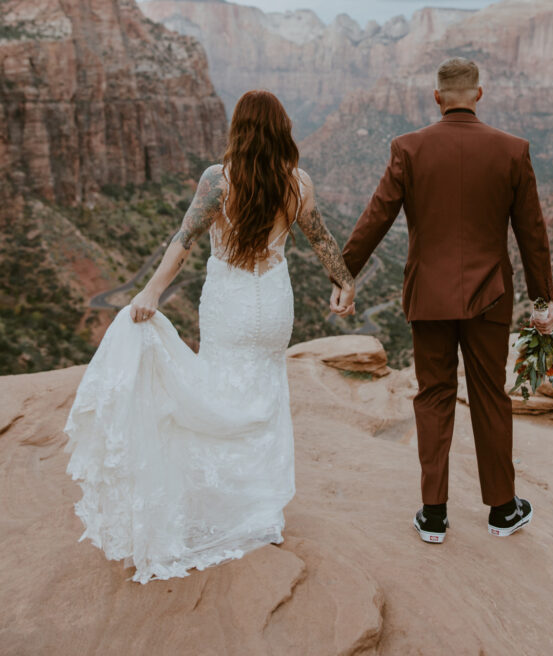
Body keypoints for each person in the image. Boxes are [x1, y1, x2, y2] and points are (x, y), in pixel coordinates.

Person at [65, 90, 355, 583]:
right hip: (274, 303)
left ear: (239, 130)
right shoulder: (298, 183)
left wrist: (151, 292)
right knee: (265, 392)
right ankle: (262, 512)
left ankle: (224, 506)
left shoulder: (218, 181)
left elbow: (185, 240)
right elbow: (322, 239)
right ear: (281, 129)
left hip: (231, 301)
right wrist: (344, 282)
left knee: (221, 390)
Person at [330, 57, 553, 543]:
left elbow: (376, 217)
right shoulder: (513, 151)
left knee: (433, 396)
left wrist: (343, 274)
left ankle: (433, 513)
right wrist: (543, 303)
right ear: (479, 94)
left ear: (437, 97)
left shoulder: (408, 148)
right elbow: (532, 234)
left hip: (428, 296)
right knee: (489, 397)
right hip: (491, 298)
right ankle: (502, 509)